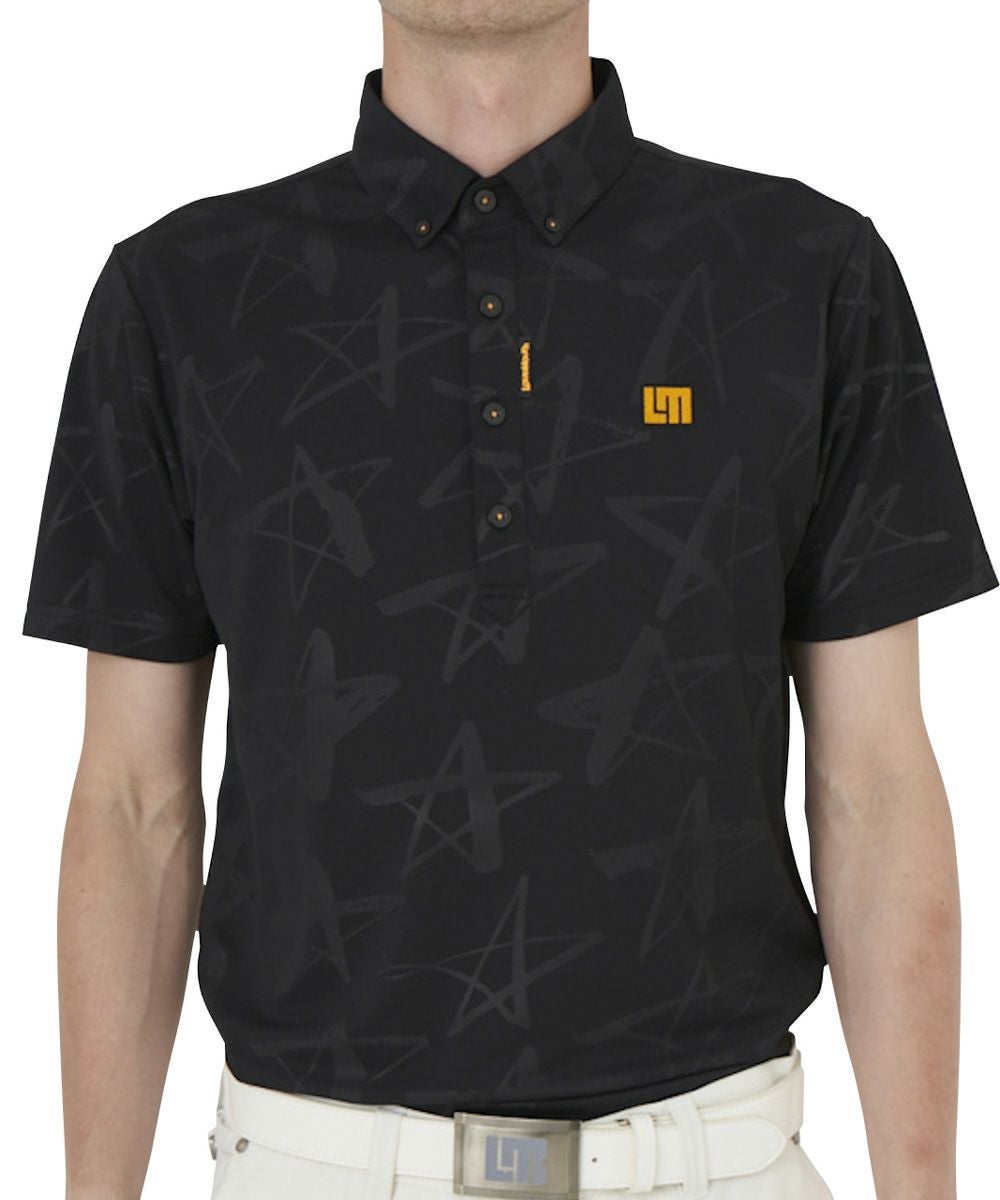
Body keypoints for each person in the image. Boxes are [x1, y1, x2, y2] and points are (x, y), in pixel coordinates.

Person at [20, 2, 997, 1198]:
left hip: (716, 1161)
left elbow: (875, 784)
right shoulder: (181, 295)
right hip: (312, 1164)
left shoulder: (803, 272)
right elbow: (131, 803)